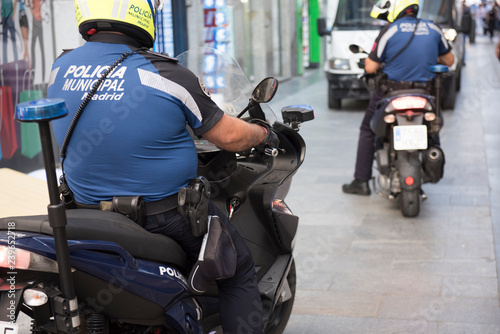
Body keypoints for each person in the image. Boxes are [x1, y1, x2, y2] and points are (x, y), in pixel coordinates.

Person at [47, 0, 269, 333]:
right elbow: (229, 135)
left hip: (84, 211)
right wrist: (263, 133)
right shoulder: (166, 72)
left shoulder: (60, 66)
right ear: (141, 11)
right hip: (164, 217)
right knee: (236, 268)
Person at [342, 0, 455, 196]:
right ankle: (432, 163)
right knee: (433, 128)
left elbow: (370, 67)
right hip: (425, 93)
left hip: (391, 92)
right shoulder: (433, 28)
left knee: (368, 129)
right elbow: (450, 60)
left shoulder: (390, 30)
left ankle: (361, 180)